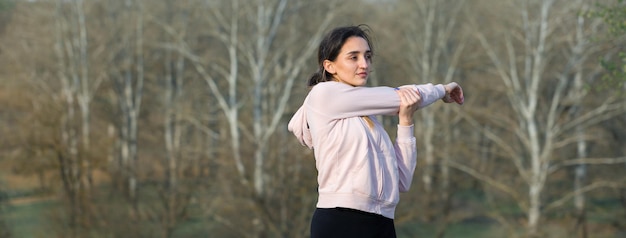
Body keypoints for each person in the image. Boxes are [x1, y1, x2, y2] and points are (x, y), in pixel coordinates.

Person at [287, 25, 464, 238]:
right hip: (342, 221)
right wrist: (442, 90)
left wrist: (406, 121)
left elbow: (402, 181)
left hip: (382, 223)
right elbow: (399, 97)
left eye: (368, 56)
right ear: (330, 66)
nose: (364, 64)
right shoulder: (324, 95)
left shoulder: (370, 121)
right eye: (353, 57)